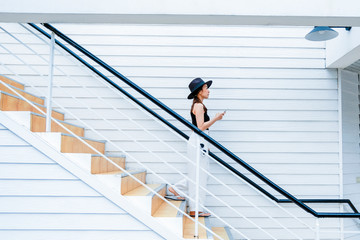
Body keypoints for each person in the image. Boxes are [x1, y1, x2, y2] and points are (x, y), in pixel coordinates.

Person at [166, 77, 225, 217]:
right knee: (200, 175)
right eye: (206, 88)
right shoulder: (198, 106)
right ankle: (195, 209)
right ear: (199, 91)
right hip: (198, 141)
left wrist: (205, 144)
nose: (208, 91)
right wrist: (216, 119)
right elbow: (200, 128)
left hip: (199, 142)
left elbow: (199, 130)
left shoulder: (199, 105)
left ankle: (177, 190)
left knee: (200, 174)